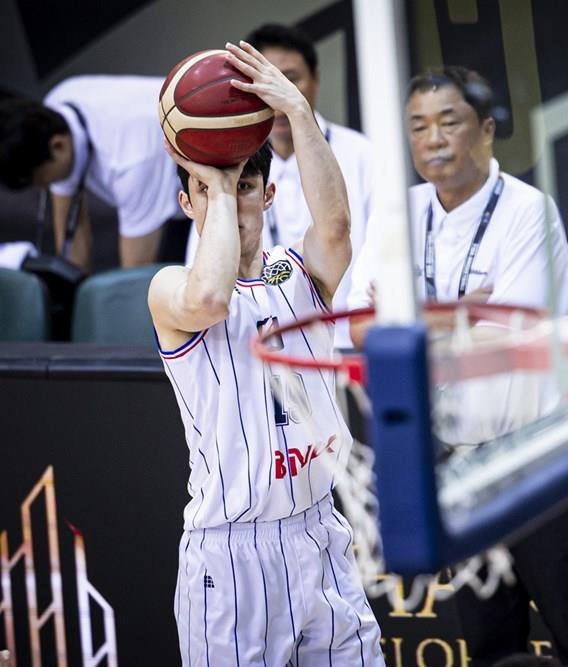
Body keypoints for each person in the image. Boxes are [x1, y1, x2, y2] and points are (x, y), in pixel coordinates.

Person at [347, 66, 568, 667]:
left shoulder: (528, 211)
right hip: (462, 468)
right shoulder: (400, 212)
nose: (433, 139)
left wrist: (407, 314)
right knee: (492, 650)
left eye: (449, 122)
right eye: (418, 126)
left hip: (540, 458)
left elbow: (510, 332)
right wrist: (458, 313)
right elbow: (356, 325)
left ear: (487, 130)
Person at [148, 41, 383, 666]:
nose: (236, 198)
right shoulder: (168, 288)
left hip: (318, 530)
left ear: (271, 195)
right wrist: (221, 187)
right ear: (187, 203)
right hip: (230, 555)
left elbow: (335, 228)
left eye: (248, 186)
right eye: (209, 189)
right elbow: (210, 298)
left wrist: (299, 114)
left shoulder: (297, 273)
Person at [184, 23, 374, 348]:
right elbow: (203, 276)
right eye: (264, 81)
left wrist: (296, 107)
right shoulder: (228, 169)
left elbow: (341, 234)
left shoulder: (363, 153)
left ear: (315, 79)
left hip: (344, 338)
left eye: (289, 80)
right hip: (246, 340)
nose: (276, 92)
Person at [0, 77, 185, 272]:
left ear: (58, 146)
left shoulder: (131, 159)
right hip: (156, 161)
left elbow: (134, 274)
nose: (44, 187)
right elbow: (71, 235)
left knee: (172, 279)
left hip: (203, 183)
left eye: (41, 179)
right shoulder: (57, 104)